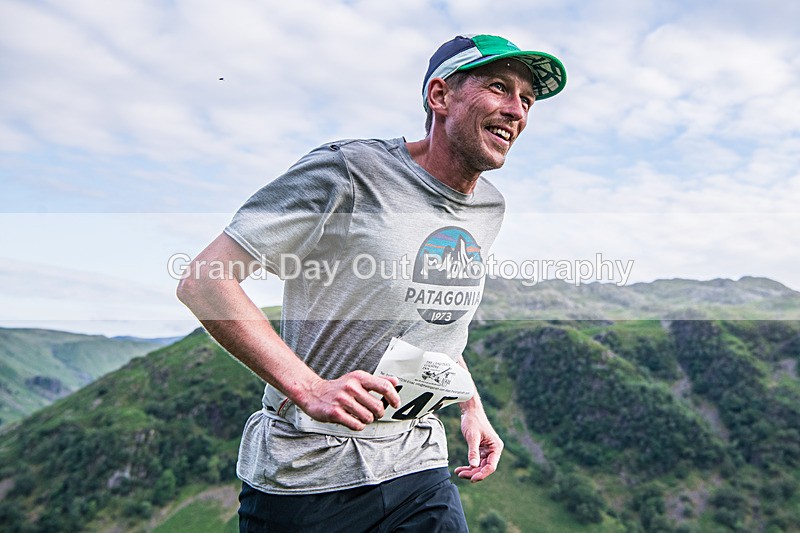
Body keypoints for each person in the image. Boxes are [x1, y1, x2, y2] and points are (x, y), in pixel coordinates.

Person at [177, 34, 566, 532]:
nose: (517, 111)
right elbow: (205, 280)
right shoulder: (349, 171)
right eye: (498, 87)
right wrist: (310, 389)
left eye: (527, 100)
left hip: (417, 464)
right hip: (308, 475)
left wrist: (471, 405)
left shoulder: (490, 207)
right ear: (440, 96)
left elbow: (432, 318)